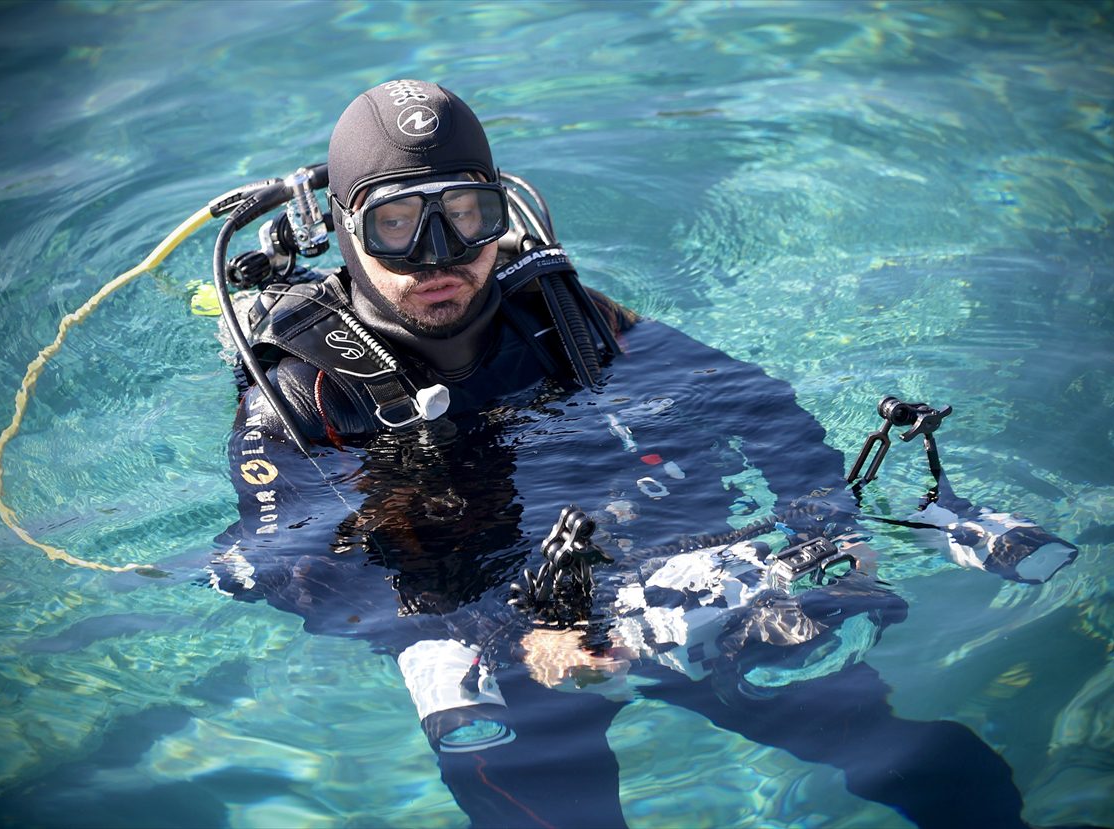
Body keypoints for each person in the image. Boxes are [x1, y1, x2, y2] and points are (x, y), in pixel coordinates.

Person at [212, 80, 1050, 829]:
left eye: (465, 215)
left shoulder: (565, 316)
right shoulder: (298, 397)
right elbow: (299, 572)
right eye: (397, 224)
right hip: (503, 648)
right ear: (346, 234)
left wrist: (820, 522)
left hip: (663, 590)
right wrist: (513, 638)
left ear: (499, 210)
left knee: (932, 770)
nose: (440, 256)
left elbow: (754, 403)